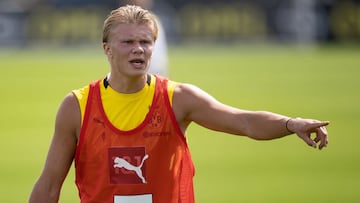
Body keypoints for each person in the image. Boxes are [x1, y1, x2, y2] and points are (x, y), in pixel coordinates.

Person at [29, 5, 329, 203]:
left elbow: (244, 121)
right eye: (128, 42)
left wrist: (291, 123)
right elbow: (48, 186)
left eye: (146, 42)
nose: (139, 50)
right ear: (107, 49)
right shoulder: (77, 106)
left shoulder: (179, 99)